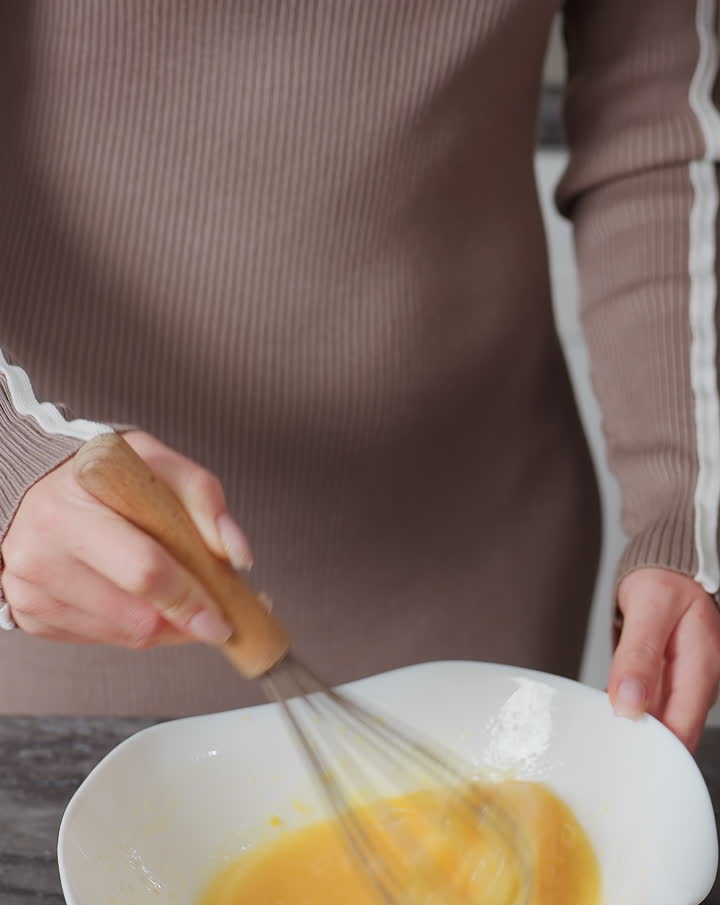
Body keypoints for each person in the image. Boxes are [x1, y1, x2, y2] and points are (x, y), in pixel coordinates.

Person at [1, 1, 719, 752]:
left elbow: (659, 129)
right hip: (73, 589)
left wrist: (681, 503)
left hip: (479, 573)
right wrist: (9, 466)